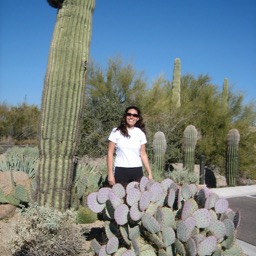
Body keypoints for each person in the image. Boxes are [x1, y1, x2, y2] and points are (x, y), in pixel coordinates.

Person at [107, 106, 153, 187]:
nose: (131, 117)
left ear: (138, 118)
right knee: (120, 198)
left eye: (135, 115)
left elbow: (143, 154)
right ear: (125, 116)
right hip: (120, 170)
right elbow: (110, 153)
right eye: (129, 114)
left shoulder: (140, 133)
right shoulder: (116, 131)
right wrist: (110, 173)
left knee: (137, 197)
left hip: (137, 170)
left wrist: (149, 173)